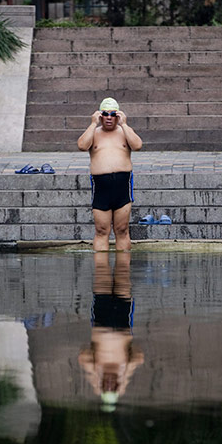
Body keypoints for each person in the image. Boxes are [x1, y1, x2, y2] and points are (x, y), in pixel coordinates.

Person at [78, 251, 144, 411]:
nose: (109, 383)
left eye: (106, 386)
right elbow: (140, 357)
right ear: (118, 385)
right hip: (122, 321)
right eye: (112, 387)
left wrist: (94, 378)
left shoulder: (96, 367)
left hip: (101, 320)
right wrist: (125, 377)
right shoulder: (124, 367)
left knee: (102, 270)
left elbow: (82, 356)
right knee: (123, 270)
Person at [77, 97, 143, 251]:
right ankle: (102, 273)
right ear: (100, 116)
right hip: (101, 186)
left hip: (122, 185)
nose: (109, 117)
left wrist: (124, 124)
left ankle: (123, 272)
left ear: (118, 116)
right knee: (101, 230)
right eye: (105, 114)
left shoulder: (124, 132)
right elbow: (82, 145)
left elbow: (137, 145)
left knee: (122, 230)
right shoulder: (94, 133)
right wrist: (93, 123)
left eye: (113, 114)